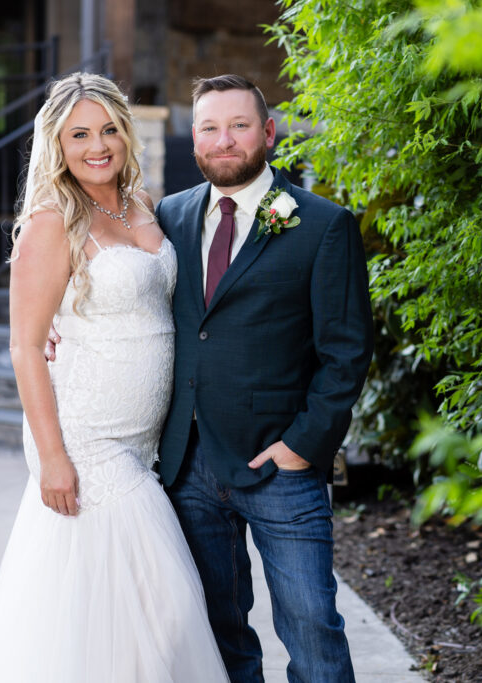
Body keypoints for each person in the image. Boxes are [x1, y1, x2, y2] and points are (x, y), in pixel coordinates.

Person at [0, 72, 228, 683]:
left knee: (128, 620)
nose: (97, 145)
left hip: (142, 441)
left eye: (109, 129)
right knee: (159, 604)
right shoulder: (51, 221)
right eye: (79, 134)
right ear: (57, 144)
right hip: (86, 443)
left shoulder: (140, 204)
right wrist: (52, 458)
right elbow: (25, 347)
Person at [156, 75, 374, 681]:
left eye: (239, 125)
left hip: (281, 464)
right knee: (219, 636)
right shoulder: (168, 216)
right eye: (209, 127)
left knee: (313, 632)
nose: (224, 140)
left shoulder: (322, 224)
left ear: (269, 132)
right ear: (194, 138)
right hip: (188, 465)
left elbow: (347, 351)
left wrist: (305, 445)